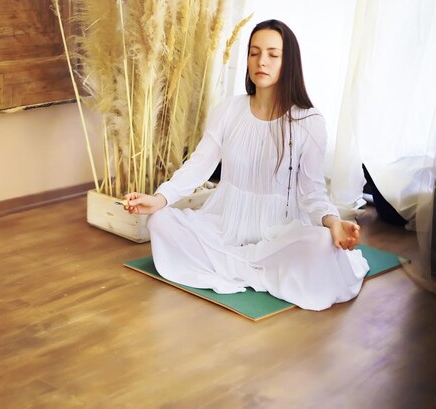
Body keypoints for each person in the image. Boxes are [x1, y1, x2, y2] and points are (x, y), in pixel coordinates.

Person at [123, 19, 370, 311]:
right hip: (225, 225)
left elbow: (312, 193)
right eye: (254, 53)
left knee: (318, 243)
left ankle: (232, 266)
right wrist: (159, 199)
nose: (261, 61)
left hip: (279, 232)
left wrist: (332, 223)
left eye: (272, 54)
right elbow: (198, 166)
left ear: (287, 62)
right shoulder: (229, 109)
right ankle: (257, 269)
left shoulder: (309, 121)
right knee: (161, 220)